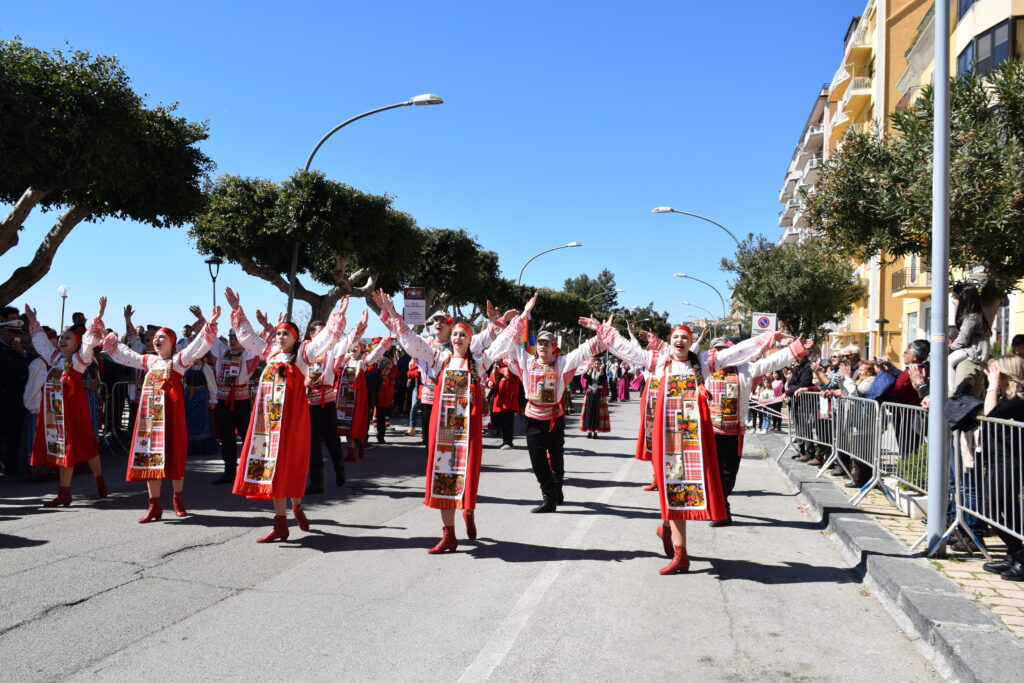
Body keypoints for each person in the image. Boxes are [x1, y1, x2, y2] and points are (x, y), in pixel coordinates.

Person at [598, 322, 766, 574]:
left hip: (695, 444)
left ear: (691, 342)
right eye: (675, 337)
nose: (680, 341)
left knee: (684, 495)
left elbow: (740, 351)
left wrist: (773, 337)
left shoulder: (704, 365)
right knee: (675, 494)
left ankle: (669, 532)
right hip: (670, 443)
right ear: (670, 341)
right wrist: (602, 331)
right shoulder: (658, 362)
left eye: (684, 337)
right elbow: (625, 349)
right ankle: (680, 554)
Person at [373, 290, 522, 551]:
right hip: (444, 428)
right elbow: (409, 340)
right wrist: (393, 314)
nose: (457, 338)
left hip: (468, 430)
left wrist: (512, 319)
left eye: (462, 335)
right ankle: (449, 535)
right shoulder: (438, 357)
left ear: (469, 340)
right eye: (455, 335)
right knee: (443, 476)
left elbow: (502, 344)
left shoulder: (478, 362)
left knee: (467, 474)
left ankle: (468, 510)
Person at [225, 287, 346, 543]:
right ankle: (281, 524)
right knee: (273, 470)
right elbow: (246, 336)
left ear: (295, 338)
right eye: (278, 333)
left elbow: (324, 341)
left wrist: (336, 317)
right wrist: (237, 308)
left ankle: (297, 506)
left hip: (291, 423)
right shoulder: (269, 353)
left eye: (285, 334)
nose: (280, 336)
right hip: (267, 423)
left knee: (290, 466)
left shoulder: (303, 355)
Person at [102, 304, 221, 522]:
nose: (157, 340)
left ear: (172, 342)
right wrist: (106, 336)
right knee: (150, 459)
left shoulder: (178, 361)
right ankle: (154, 505)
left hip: (171, 419)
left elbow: (198, 346)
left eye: (162, 337)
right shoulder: (149, 361)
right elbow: (124, 353)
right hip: (150, 420)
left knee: (174, 456)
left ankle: (178, 499)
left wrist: (210, 323)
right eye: (155, 337)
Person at [498, 307, 605, 512]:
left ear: (553, 346)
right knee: (537, 460)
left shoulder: (562, 363)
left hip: (554, 418)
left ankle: (557, 487)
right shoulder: (527, 362)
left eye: (546, 343)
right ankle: (548, 497)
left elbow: (584, 350)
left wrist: (600, 330)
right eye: (540, 343)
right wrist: (503, 322)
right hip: (533, 418)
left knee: (556, 456)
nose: (542, 346)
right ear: (536, 346)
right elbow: (508, 344)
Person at [701, 333, 802, 526]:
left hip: (734, 431)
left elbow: (772, 362)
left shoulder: (745, 369)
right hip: (709, 431)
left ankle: (721, 505)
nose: (725, 356)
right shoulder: (705, 371)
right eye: (719, 352)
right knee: (711, 472)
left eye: (727, 351)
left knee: (729, 472)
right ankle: (720, 509)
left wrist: (795, 348)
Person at [24, 299, 109, 506]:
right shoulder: (54, 358)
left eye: (67, 337)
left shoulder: (80, 360)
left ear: (77, 343)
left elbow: (89, 340)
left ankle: (99, 479)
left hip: (74, 413)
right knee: (63, 450)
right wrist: (33, 321)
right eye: (61, 337)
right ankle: (64, 493)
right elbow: (42, 343)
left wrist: (99, 315)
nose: (62, 339)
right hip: (56, 415)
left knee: (88, 448)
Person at [304, 311, 363, 494]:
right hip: (307, 403)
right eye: (320, 333)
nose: (324, 336)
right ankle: (317, 480)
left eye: (326, 332)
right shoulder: (304, 352)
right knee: (312, 442)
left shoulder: (332, 351)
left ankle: (339, 467)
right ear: (312, 334)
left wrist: (358, 328)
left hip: (326, 402)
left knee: (332, 438)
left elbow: (347, 342)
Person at [979, 355, 1024, 581]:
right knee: (1001, 509)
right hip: (999, 458)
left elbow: (990, 416)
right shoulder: (1009, 396)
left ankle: (1020, 555)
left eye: (996, 372)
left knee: (994, 508)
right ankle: (1013, 555)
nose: (992, 375)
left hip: (1011, 460)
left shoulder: (1019, 398)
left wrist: (992, 387)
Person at [334, 323, 391, 462]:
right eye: (352, 346)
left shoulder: (363, 362)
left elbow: (376, 353)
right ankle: (352, 450)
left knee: (356, 424)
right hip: (344, 400)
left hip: (357, 401)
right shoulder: (343, 362)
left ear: (361, 349)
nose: (354, 347)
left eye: (357, 346)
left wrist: (384, 343)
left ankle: (358, 445)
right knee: (345, 426)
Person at [0, 306, 29, 478]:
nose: (15, 336)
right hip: (2, 399)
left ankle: (11, 470)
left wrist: (23, 353)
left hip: (16, 400)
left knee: (13, 437)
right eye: (12, 332)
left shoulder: (19, 349)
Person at [948, 283, 992, 391]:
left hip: (975, 349)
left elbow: (963, 338)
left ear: (964, 299)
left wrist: (951, 348)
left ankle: (952, 390)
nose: (953, 301)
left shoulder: (971, 316)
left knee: (948, 361)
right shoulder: (974, 314)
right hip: (973, 347)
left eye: (955, 297)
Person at [183, 353, 219, 455]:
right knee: (190, 421)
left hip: (202, 398)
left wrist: (213, 400)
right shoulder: (189, 367)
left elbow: (212, 385)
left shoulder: (206, 368)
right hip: (189, 397)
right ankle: (191, 447)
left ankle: (203, 447)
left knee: (203, 422)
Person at [490, 358, 522, 449]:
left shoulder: (512, 363)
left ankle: (508, 441)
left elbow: (517, 373)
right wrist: (490, 382)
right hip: (499, 395)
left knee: (507, 419)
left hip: (509, 395)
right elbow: (492, 376)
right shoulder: (497, 363)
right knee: (499, 418)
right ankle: (505, 440)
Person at [580, 361, 611, 437]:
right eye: (595, 364)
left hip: (599, 393)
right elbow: (585, 377)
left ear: (600, 365)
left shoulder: (602, 373)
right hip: (590, 393)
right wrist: (589, 370)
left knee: (597, 412)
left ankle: (596, 431)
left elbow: (604, 379)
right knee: (589, 412)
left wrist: (601, 370)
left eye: (598, 364)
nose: (596, 365)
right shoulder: (590, 372)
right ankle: (589, 431)